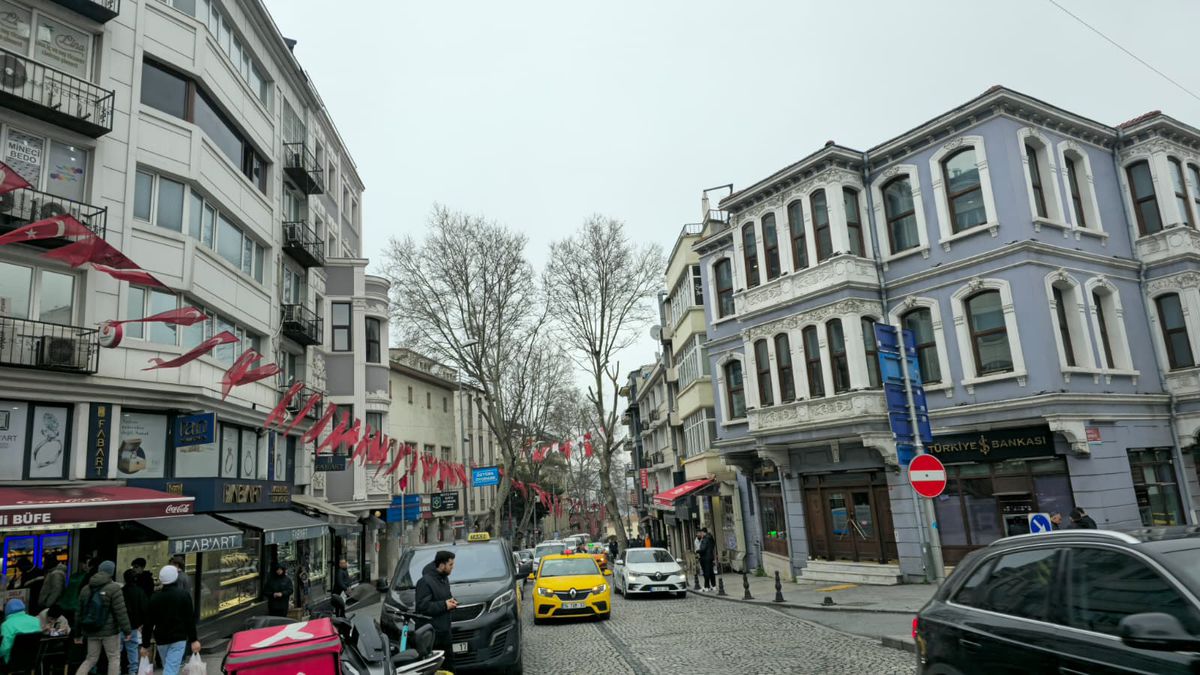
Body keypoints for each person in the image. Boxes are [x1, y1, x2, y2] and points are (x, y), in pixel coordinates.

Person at [75, 560, 132, 675]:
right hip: (110, 631)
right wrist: (127, 631)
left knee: (90, 659)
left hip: (90, 630)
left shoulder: (86, 589)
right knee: (114, 658)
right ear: (112, 572)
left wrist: (77, 633)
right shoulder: (114, 588)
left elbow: (79, 613)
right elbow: (120, 612)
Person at [141, 565, 200, 675]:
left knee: (168, 666)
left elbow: (148, 623)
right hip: (179, 637)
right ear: (176, 578)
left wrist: (145, 644)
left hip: (161, 639)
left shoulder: (154, 598)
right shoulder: (183, 595)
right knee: (171, 668)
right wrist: (194, 639)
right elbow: (189, 619)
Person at [415, 551, 457, 674]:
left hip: (445, 632)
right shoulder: (425, 582)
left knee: (449, 667)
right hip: (433, 636)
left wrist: (452, 602)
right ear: (442, 565)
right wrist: (444, 605)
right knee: (434, 669)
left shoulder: (444, 579)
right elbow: (422, 606)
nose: (452, 567)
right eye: (450, 564)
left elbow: (445, 598)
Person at [121, 569, 149, 675]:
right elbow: (144, 609)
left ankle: (118, 670)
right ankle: (132, 672)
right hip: (134, 626)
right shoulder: (140, 592)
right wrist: (141, 624)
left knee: (117, 652)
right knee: (132, 650)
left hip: (120, 625)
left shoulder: (121, 591)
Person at [1, 598, 40, 663]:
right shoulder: (36, 620)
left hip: (11, 662)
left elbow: (5, 647)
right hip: (33, 660)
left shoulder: (6, 625)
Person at [699, 528, 717, 592]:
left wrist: (697, 551)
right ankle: (713, 586)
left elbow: (703, 549)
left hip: (705, 558)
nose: (700, 534)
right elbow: (713, 546)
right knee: (711, 572)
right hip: (710, 557)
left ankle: (706, 587)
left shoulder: (705, 539)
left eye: (701, 533)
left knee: (706, 573)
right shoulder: (711, 538)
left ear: (703, 532)